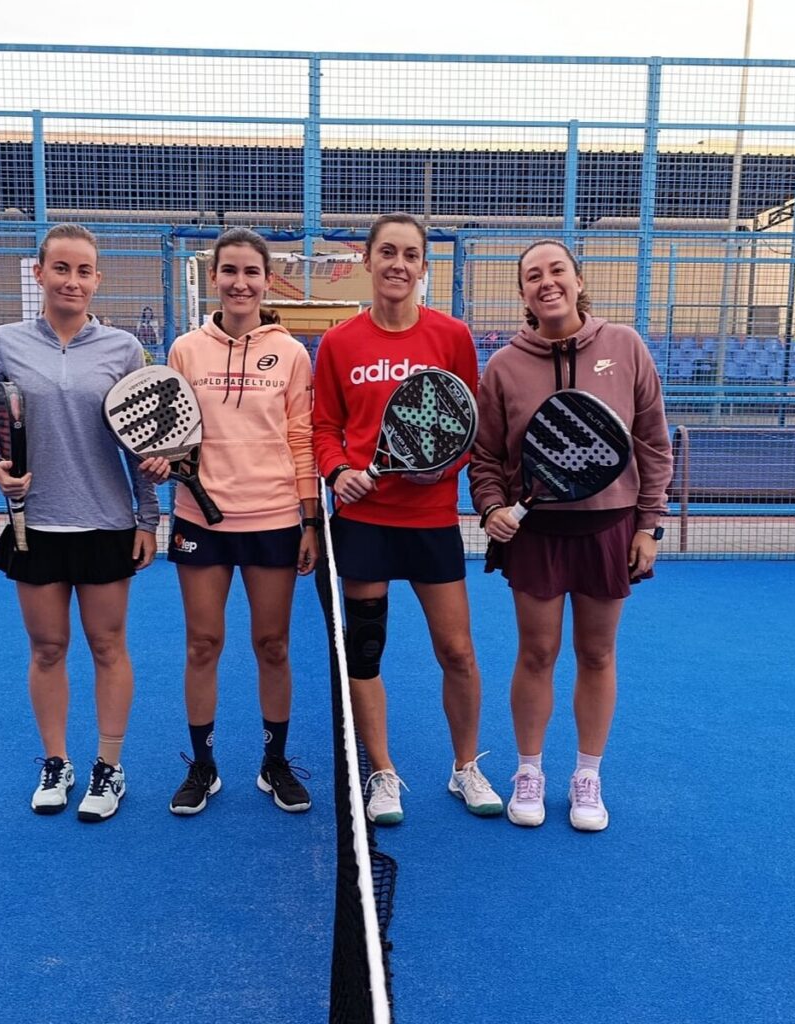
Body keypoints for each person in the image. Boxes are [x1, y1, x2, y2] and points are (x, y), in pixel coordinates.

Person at [469, 239, 673, 832]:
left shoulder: (625, 346)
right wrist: (490, 510)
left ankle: (587, 774)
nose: (546, 281)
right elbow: (485, 457)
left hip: (610, 527)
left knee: (597, 652)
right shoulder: (504, 365)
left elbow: (653, 443)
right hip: (537, 534)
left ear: (579, 281)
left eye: (557, 270)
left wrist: (649, 525)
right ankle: (528, 770)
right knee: (536, 653)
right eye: (533, 275)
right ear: (524, 294)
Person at [313, 212, 502, 826]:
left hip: (430, 520)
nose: (398, 264)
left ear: (424, 266)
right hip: (363, 521)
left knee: (458, 651)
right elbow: (324, 428)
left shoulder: (451, 337)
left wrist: (437, 471)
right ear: (367, 261)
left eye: (411, 254)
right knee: (366, 650)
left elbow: (468, 427)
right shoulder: (340, 343)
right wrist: (340, 470)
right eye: (387, 252)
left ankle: (466, 767)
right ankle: (383, 772)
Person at [0, 224, 159, 823]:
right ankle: (57, 761)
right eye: (61, 269)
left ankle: (108, 766)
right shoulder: (3, 344)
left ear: (97, 279)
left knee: (108, 646)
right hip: (37, 525)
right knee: (48, 648)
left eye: (84, 271)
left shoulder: (124, 350)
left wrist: (147, 517)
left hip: (107, 523)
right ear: (40, 273)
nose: (72, 281)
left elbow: (141, 443)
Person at [139, 227, 319, 817]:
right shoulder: (186, 350)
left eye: (252, 272)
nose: (240, 282)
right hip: (200, 520)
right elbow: (174, 433)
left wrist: (309, 519)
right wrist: (165, 463)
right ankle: (204, 766)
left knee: (272, 644)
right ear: (213, 278)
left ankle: (274, 763)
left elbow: (300, 438)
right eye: (230, 271)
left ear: (268, 282)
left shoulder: (291, 354)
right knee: (202, 645)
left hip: (272, 520)